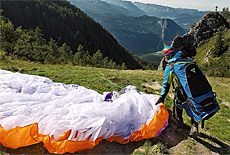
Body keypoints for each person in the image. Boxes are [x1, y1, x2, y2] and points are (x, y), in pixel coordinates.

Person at [155, 46, 199, 136]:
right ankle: (194, 126)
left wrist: (162, 97)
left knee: (177, 104)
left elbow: (166, 84)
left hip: (182, 90)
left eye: (165, 57)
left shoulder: (170, 66)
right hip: (195, 89)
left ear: (168, 57)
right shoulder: (188, 59)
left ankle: (179, 125)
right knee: (194, 106)